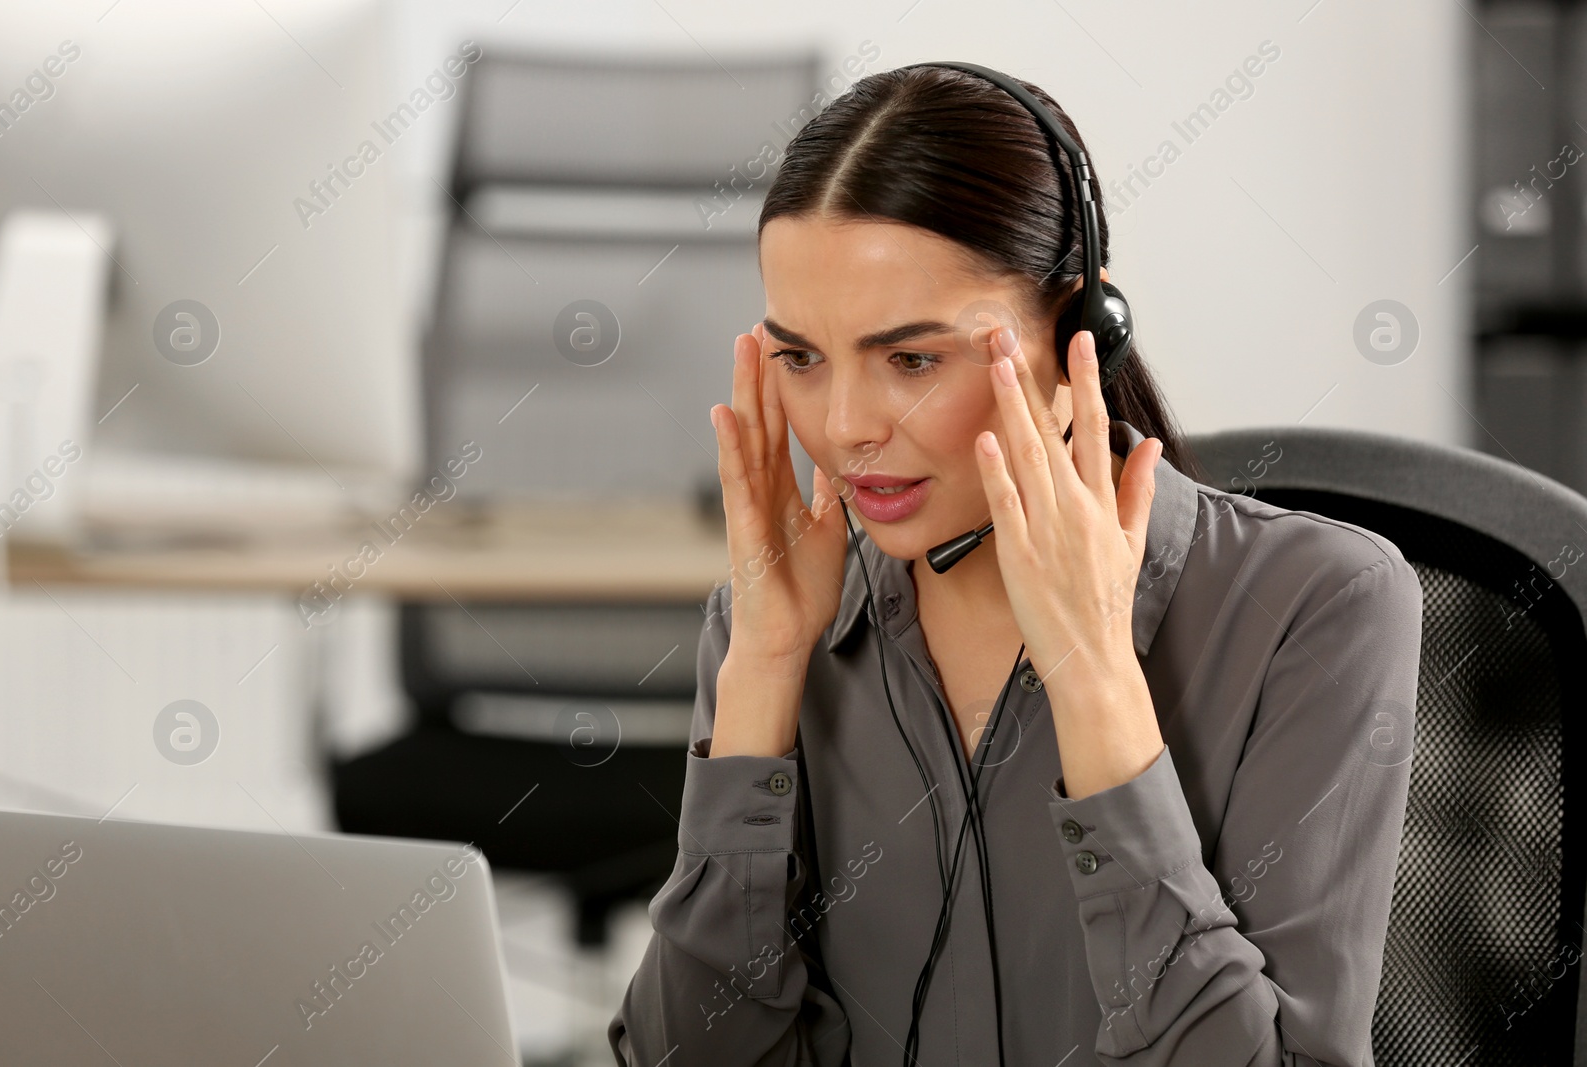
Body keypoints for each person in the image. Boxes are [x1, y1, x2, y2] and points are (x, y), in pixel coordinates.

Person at [608, 64, 1422, 1066]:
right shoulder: (774, 624)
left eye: (911, 359)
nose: (845, 427)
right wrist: (767, 672)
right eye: (802, 359)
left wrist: (1095, 682)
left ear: (1080, 333)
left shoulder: (1317, 605)